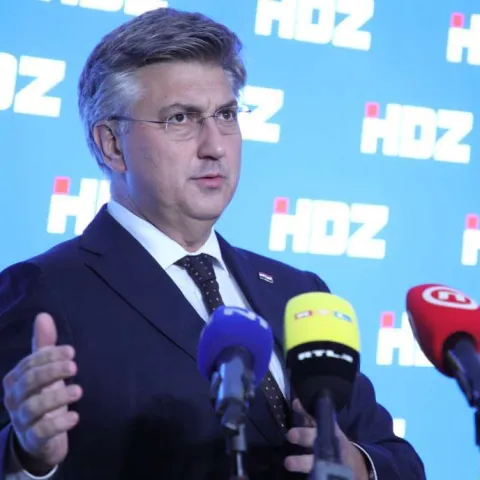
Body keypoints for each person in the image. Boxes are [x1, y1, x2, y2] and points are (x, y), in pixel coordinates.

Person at [0, 7, 426, 480]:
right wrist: (26, 457)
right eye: (180, 118)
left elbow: (399, 459)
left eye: (226, 114)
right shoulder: (45, 290)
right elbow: (19, 443)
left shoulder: (297, 292)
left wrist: (360, 466)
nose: (215, 146)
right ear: (112, 145)